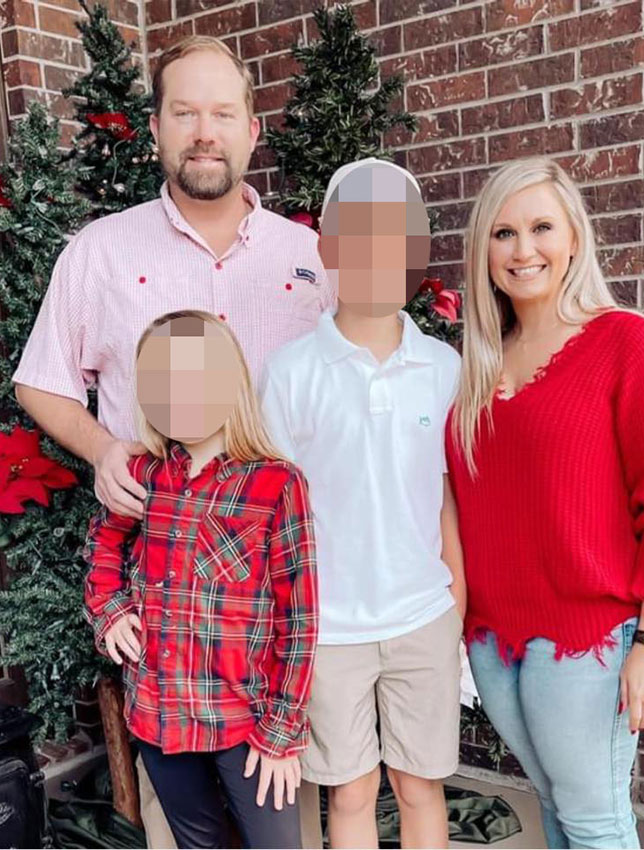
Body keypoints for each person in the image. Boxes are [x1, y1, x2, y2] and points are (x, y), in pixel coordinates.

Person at [13, 34, 333, 847]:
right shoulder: (101, 251)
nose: (204, 130)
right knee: (187, 830)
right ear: (155, 127)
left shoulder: (312, 260)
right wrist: (104, 449)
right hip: (168, 623)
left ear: (252, 130)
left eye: (223, 112)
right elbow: (39, 379)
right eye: (184, 112)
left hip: (284, 593)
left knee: (284, 810)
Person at [445, 156, 644, 849]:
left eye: (540, 228)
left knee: (592, 822)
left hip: (588, 636)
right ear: (484, 252)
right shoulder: (481, 362)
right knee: (557, 806)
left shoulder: (626, 343)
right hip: (498, 642)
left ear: (574, 238)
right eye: (502, 233)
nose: (522, 250)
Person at [261, 158, 466, 849]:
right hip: (331, 626)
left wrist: (455, 611)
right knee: (349, 790)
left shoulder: (444, 368)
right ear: (328, 246)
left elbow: (444, 500)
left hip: (423, 617)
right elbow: (274, 515)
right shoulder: (291, 373)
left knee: (419, 784)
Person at [84, 310, 318, 849]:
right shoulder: (145, 475)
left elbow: (299, 619)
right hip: (159, 712)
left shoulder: (275, 484)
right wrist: (111, 608)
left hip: (244, 721)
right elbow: (103, 541)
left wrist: (282, 728)